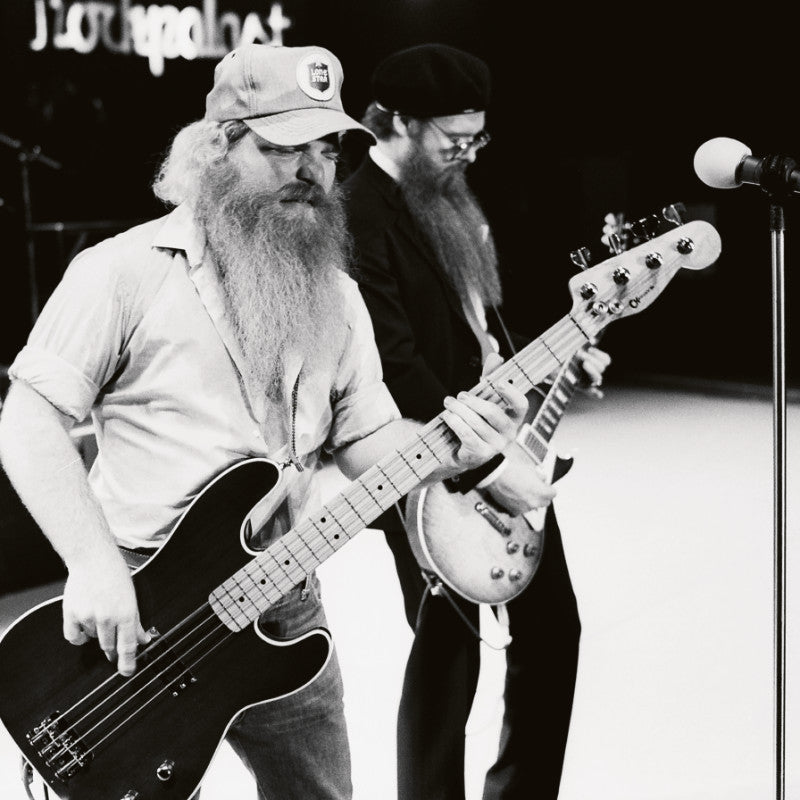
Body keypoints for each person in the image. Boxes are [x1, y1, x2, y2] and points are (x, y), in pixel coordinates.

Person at [0, 43, 529, 800]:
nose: (312, 171)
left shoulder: (339, 296)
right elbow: (29, 418)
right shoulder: (121, 272)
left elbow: (366, 438)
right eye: (284, 148)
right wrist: (92, 563)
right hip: (141, 602)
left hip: (284, 600)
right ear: (218, 147)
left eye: (327, 150)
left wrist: (451, 447)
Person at [343, 43, 611, 799]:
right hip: (422, 464)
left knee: (552, 632)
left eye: (476, 138)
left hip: (496, 448)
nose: (467, 153)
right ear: (398, 121)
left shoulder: (447, 197)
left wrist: (551, 359)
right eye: (452, 138)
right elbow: (395, 367)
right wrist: (484, 466)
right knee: (447, 656)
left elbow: (478, 332)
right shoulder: (357, 215)